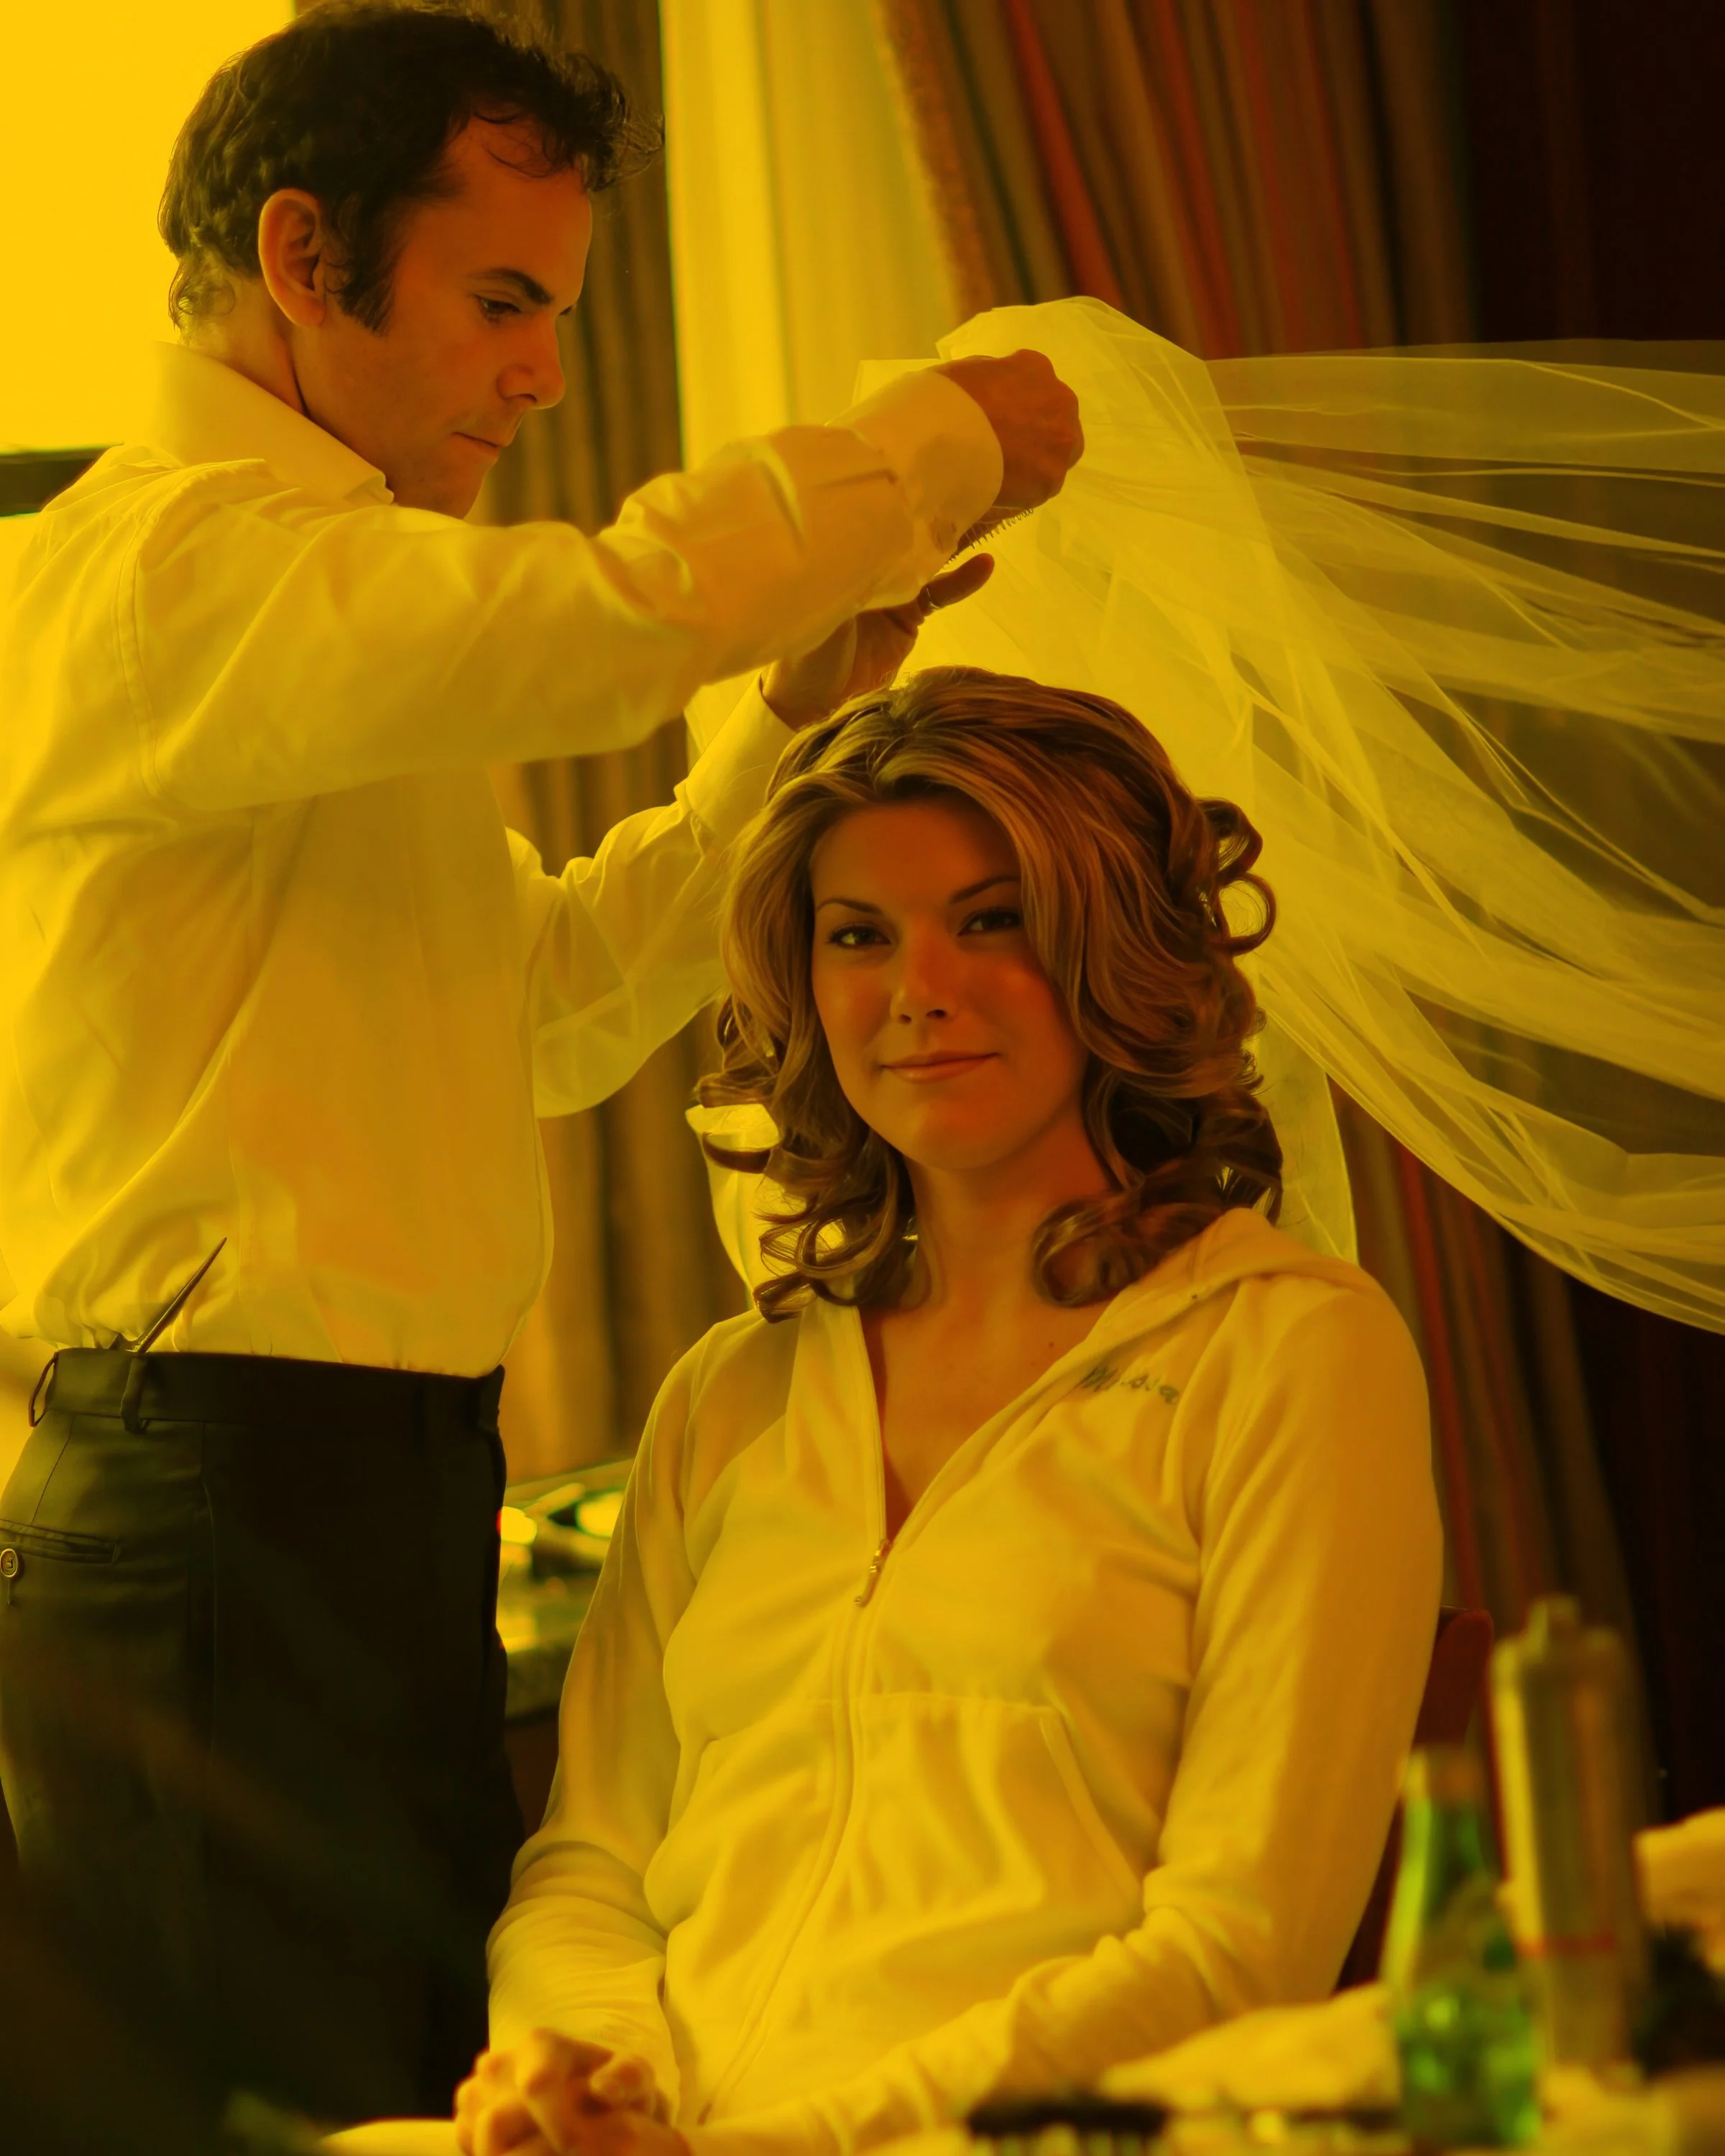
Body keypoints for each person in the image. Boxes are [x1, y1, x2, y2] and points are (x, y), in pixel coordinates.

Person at [0, 1, 1080, 2129]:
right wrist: (924, 445)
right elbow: (602, 614)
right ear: (305, 259)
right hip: (216, 1516)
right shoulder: (160, 577)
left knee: (417, 2104)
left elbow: (562, 1006)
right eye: (505, 301)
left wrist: (788, 721)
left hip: (359, 1512)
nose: (543, 374)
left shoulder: (307, 633)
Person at [456, 668, 1443, 2156]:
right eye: (860, 936)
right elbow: (592, 1866)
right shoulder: (731, 1395)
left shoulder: (1292, 1356)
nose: (919, 990)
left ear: (1113, 951)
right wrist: (574, 2079)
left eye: (992, 921)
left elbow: (1238, 1948)